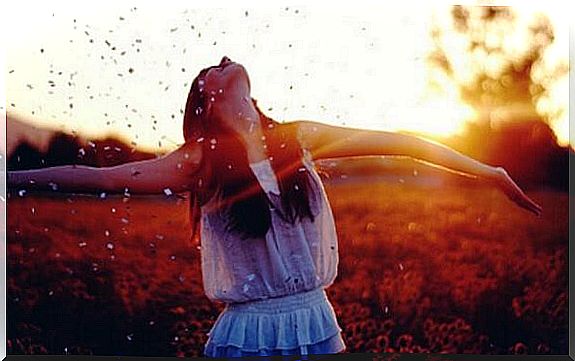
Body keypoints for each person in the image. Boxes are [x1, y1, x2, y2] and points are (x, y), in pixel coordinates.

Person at [7, 56, 542, 357]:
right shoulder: (203, 161)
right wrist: (11, 180)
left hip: (316, 320)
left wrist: (487, 170)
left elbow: (402, 140)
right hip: (248, 334)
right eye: (208, 73)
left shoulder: (298, 139)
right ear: (208, 102)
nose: (220, 62)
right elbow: (96, 177)